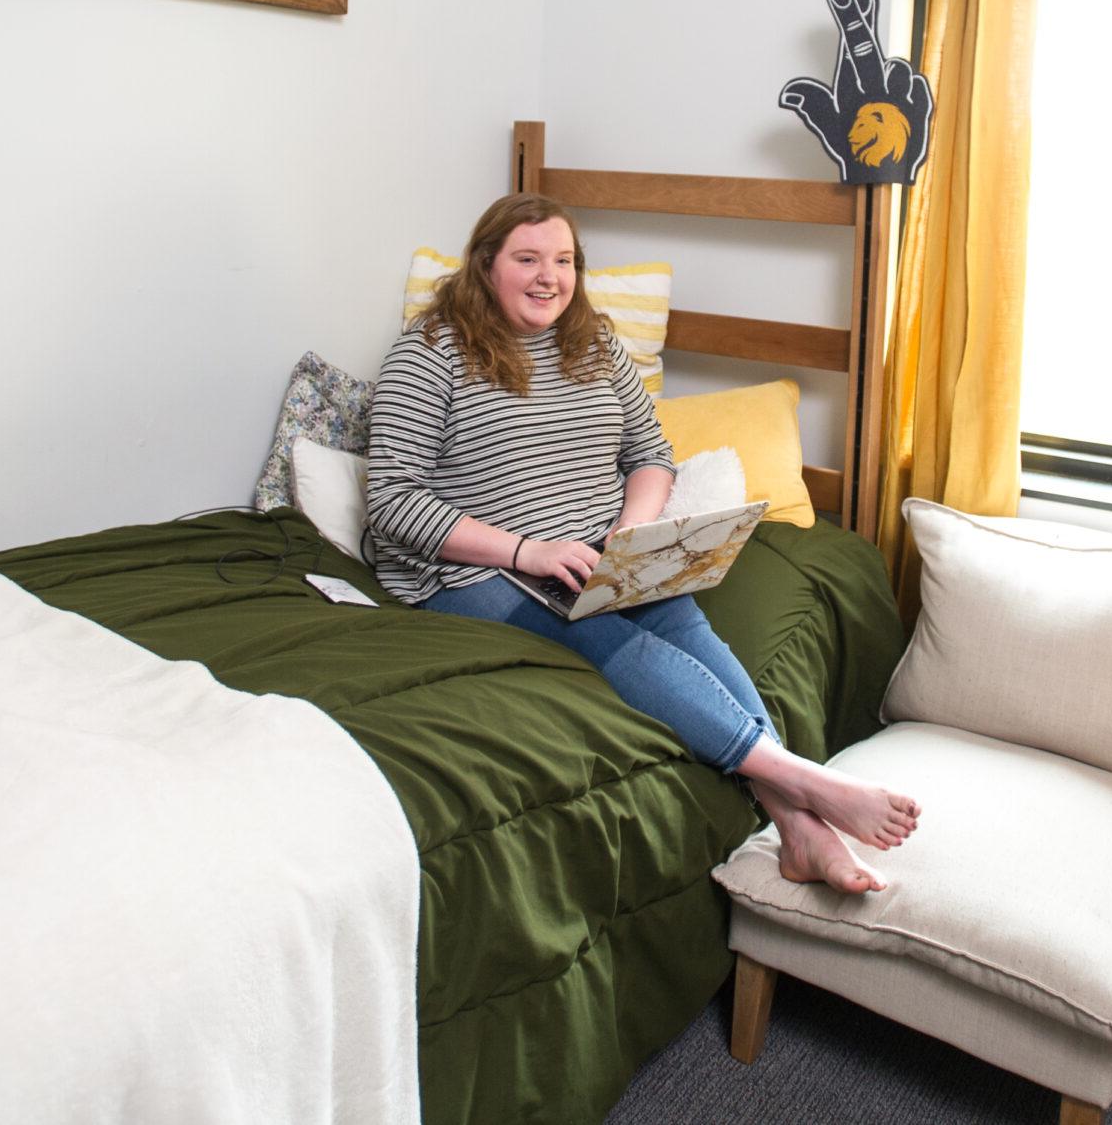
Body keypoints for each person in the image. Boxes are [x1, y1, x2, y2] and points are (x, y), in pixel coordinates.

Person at [365, 193, 918, 893]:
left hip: (597, 549)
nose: (549, 277)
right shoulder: (432, 349)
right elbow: (391, 499)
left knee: (686, 626)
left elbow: (651, 452)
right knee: (607, 640)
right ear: (484, 265)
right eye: (527, 258)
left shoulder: (593, 341)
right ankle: (805, 783)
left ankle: (800, 830)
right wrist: (523, 551)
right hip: (477, 568)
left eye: (563, 260)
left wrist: (635, 530)